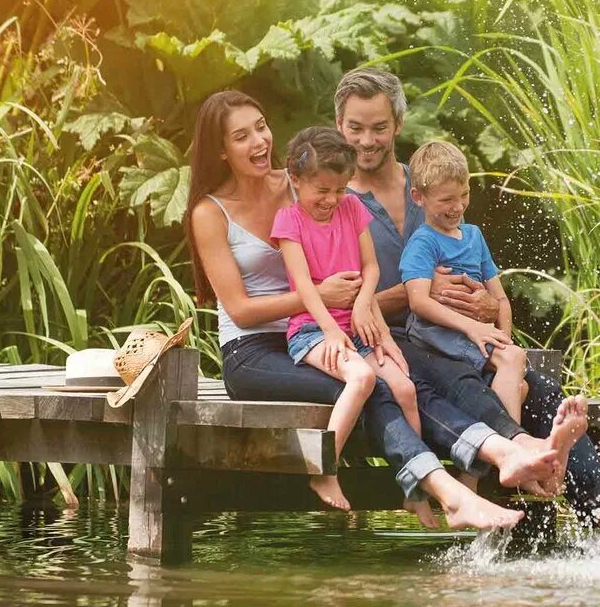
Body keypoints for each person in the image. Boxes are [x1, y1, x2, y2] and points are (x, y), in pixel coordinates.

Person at [183, 90, 578, 531]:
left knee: (408, 381)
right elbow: (238, 310)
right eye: (241, 136)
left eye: (260, 127)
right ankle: (450, 491)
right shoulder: (210, 212)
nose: (258, 141)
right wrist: (322, 295)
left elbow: (353, 235)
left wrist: (373, 301)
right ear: (220, 149)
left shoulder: (299, 181)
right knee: (372, 389)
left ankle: (506, 453)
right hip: (256, 351)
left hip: (330, 327)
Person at [334, 67, 600, 547]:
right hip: (388, 344)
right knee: (462, 385)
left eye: (378, 127)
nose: (367, 140)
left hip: (452, 334)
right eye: (356, 127)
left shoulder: (433, 181)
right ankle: (522, 457)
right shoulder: (332, 201)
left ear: (397, 123)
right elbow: (338, 301)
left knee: (542, 392)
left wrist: (481, 301)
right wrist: (419, 293)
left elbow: (466, 260)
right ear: (339, 125)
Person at [271, 126, 422, 511]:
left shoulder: (352, 207)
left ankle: (414, 483)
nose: (331, 199)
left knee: (404, 388)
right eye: (321, 190)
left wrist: (361, 305)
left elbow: (370, 268)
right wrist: (329, 330)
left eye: (339, 189)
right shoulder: (289, 222)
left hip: (354, 324)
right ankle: (322, 469)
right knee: (363, 376)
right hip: (311, 330)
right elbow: (305, 287)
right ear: (295, 179)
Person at [400, 140, 529, 423]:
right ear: (418, 197)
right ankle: (514, 448)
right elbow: (418, 301)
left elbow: (500, 300)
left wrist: (503, 337)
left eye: (465, 194)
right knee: (514, 360)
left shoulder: (474, 236)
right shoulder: (423, 243)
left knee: (520, 384)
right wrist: (473, 328)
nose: (458, 206)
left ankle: (481, 467)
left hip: (472, 334)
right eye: (446, 200)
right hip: (438, 335)